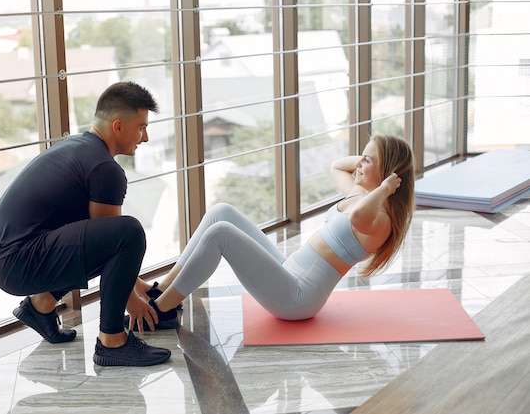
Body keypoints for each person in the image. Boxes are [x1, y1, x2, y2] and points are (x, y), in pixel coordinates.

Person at [127, 135, 415, 330]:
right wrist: (371, 159)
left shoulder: (381, 218)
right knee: (221, 212)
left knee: (221, 235)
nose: (359, 164)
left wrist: (387, 186)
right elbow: (336, 166)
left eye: (368, 160)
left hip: (297, 298)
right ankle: (162, 289)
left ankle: (162, 311)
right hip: (288, 271)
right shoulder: (360, 193)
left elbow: (357, 216)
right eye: (361, 158)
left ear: (389, 174)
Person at [0, 81, 172, 367]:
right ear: (118, 126)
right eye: (142, 128)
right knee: (130, 231)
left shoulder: (81, 148)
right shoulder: (105, 170)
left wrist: (138, 286)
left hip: (8, 259)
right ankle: (113, 341)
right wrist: (133, 303)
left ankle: (41, 305)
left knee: (115, 236)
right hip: (19, 261)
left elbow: (101, 240)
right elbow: (116, 240)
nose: (145, 138)